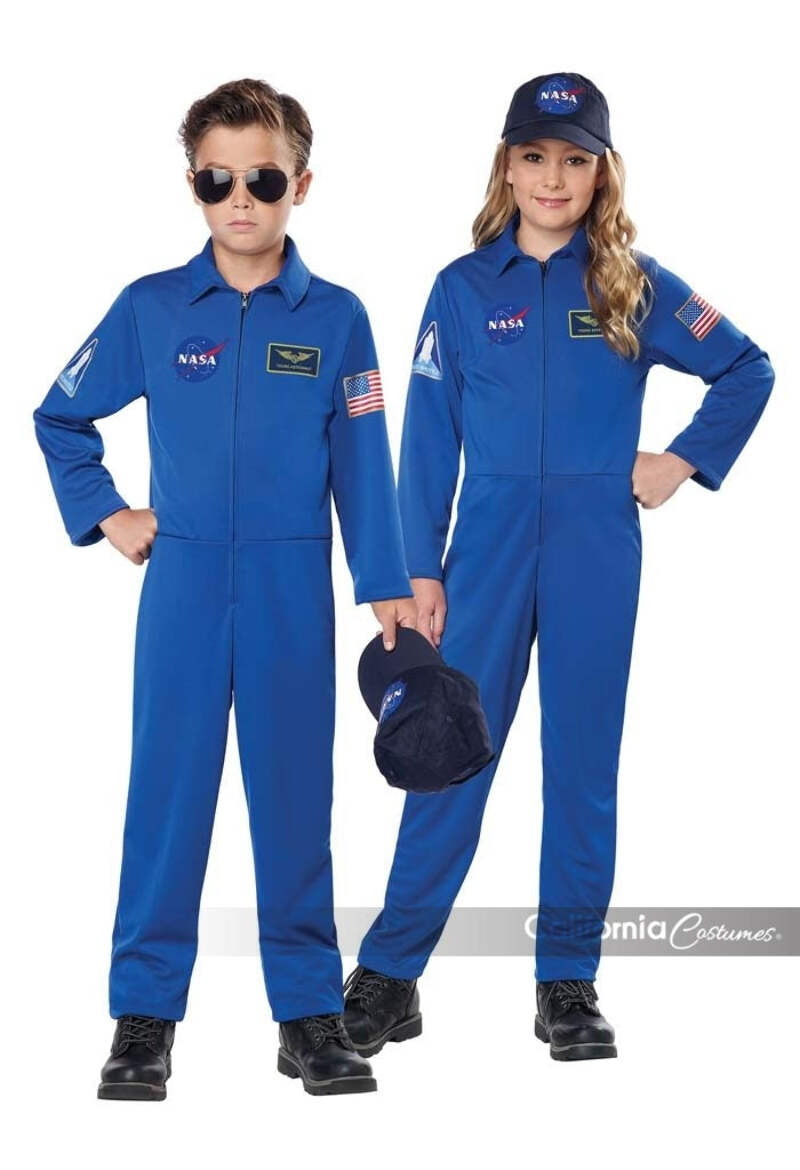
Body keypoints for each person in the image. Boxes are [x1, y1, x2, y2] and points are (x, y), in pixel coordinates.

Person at [343, 72, 774, 1062]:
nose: (552, 178)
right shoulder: (460, 289)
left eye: (574, 160)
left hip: (594, 553)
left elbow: (745, 366)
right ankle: (391, 976)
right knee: (446, 750)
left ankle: (566, 983)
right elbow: (427, 438)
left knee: (581, 767)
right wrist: (416, 568)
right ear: (506, 166)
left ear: (600, 173)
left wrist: (681, 460)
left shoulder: (631, 281)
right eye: (534, 157)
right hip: (483, 554)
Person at [33, 78, 416, 1099]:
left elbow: (363, 457)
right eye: (216, 180)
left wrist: (383, 581)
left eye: (263, 179)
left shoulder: (337, 317)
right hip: (185, 585)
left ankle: (307, 1013)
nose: (239, 198)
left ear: (301, 184)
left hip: (293, 582)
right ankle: (143, 1018)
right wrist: (107, 512)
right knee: (167, 798)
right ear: (193, 184)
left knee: (294, 798)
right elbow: (58, 416)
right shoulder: (151, 307)